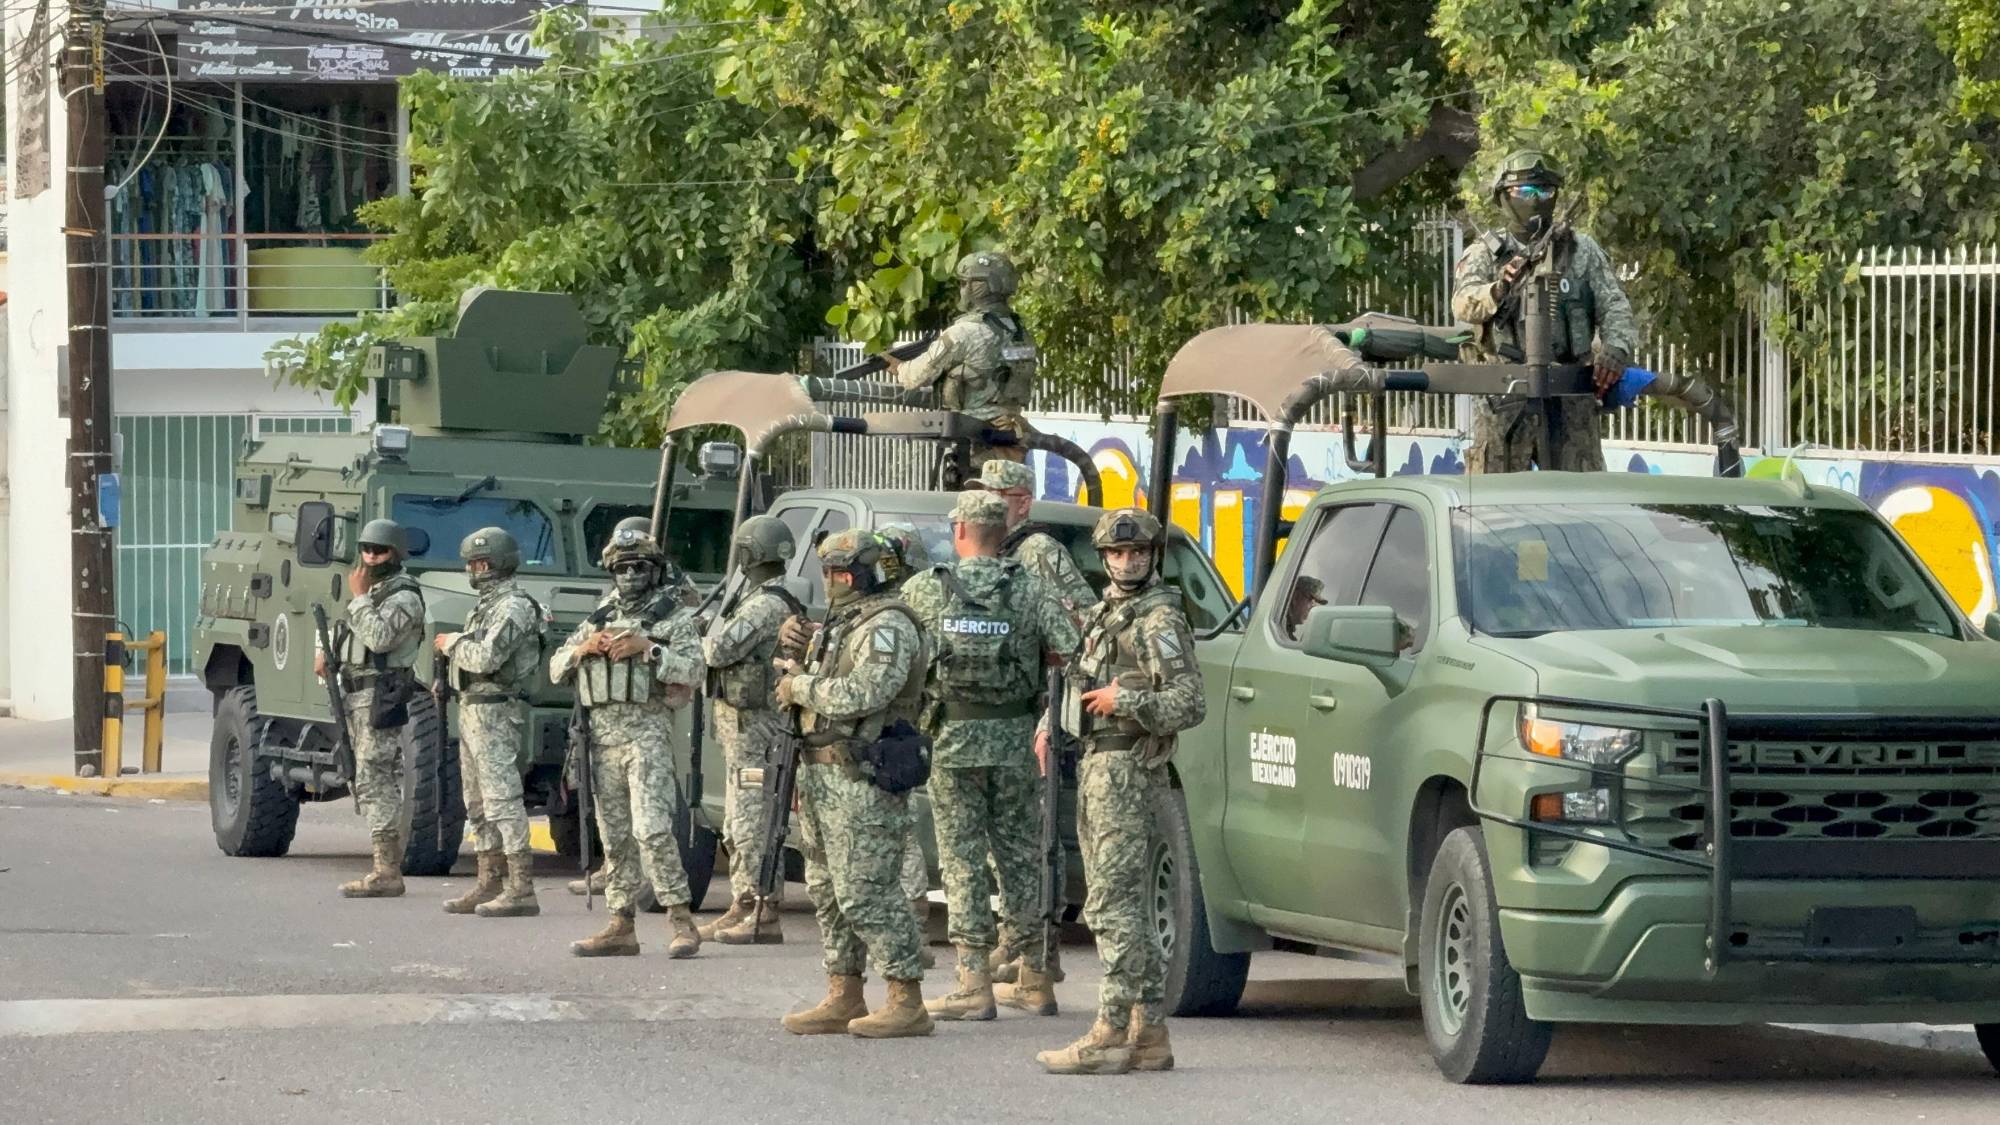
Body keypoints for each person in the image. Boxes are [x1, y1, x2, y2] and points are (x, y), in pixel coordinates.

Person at [1036, 508, 1205, 1076]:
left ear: (1152, 556)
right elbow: (1079, 680)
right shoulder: (1108, 612)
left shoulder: (1158, 619)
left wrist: (1125, 701)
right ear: (1104, 557)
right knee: (1119, 902)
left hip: (1127, 767)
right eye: (1116, 553)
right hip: (1096, 764)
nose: (1127, 562)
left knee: (1113, 905)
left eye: (1137, 553)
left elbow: (1190, 702)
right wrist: (1049, 723)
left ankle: (1109, 1032)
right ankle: (1148, 1031)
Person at [902, 491, 1081, 1023]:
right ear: (1003, 532)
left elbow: (900, 653)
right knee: (1024, 855)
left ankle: (973, 982)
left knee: (962, 860)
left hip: (952, 740)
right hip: (1016, 741)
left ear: (959, 531)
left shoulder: (925, 588)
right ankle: (1035, 977)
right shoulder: (1032, 590)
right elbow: (1074, 652)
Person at [773, 530, 933, 1039]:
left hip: (861, 776)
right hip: (821, 772)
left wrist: (799, 685)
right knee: (825, 888)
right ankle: (844, 992)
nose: (833, 582)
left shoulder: (888, 624)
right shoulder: (844, 622)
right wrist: (796, 660)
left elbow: (867, 691)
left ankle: (906, 997)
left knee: (867, 892)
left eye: (842, 573)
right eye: (828, 572)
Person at [967, 458, 1098, 986]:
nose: (988, 506)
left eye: (997, 497)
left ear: (1021, 503)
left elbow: (1081, 632)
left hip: (1039, 712)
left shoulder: (1039, 551)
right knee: (1005, 837)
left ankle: (1040, 948)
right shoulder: (999, 556)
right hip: (1007, 714)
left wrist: (1051, 717)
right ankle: (1017, 936)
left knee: (1034, 835)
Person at [550, 521, 706, 957]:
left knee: (652, 830)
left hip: (646, 736)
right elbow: (555, 667)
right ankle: (620, 924)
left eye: (639, 567)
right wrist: (583, 649)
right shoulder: (599, 617)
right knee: (614, 836)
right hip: (601, 740)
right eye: (622, 569)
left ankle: (681, 921)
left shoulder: (673, 619)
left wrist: (649, 648)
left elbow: (695, 670)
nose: (631, 576)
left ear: (655, 570)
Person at [1451, 149, 1640, 473]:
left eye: (1545, 190)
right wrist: (1498, 288)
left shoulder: (1581, 250)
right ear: (1502, 197)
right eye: (1524, 191)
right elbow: (1463, 303)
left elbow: (1615, 305)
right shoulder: (1485, 253)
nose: (1536, 199)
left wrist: (1615, 348)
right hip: (1504, 398)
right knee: (1495, 498)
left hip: (1570, 396)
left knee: (1582, 495)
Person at [697, 514, 803, 944]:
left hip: (757, 732)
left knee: (753, 822)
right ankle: (743, 903)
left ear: (750, 554)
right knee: (739, 821)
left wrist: (692, 636)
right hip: (742, 732)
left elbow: (719, 651)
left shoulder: (766, 605)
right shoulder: (757, 598)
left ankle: (763, 909)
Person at [437, 528, 547, 918]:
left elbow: (486, 658)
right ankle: (489, 880)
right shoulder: (486, 605)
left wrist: (452, 644)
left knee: (502, 800)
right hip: (473, 708)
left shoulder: (514, 607)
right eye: (471, 563)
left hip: (497, 711)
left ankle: (521, 887)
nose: (474, 570)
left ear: (497, 564)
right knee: (477, 802)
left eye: (480, 563)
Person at [324, 519, 426, 899]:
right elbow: (350, 631)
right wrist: (328, 653)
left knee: (375, 776)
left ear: (395, 553)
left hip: (380, 694)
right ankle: (383, 867)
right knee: (364, 777)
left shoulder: (404, 596)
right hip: (356, 693)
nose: (370, 557)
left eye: (379, 551)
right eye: (366, 549)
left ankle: (387, 871)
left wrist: (359, 598)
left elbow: (380, 639)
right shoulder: (374, 592)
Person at [885, 250, 1038, 468]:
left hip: (975, 441)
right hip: (1013, 438)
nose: (962, 289)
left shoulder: (964, 332)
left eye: (965, 283)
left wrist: (898, 367)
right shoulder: (1021, 334)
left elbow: (916, 377)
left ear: (980, 287)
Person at [874, 523, 945, 969]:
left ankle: (914, 927)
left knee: (901, 826)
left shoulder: (910, 605)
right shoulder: (890, 605)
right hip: (900, 725)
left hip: (904, 726)